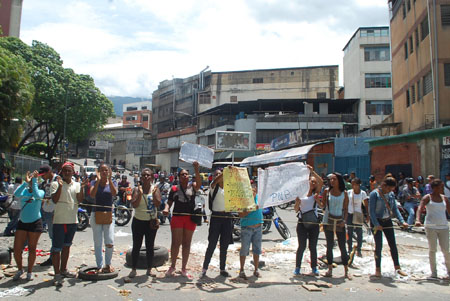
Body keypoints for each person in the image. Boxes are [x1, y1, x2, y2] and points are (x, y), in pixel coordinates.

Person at [51, 162, 86, 286]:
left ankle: (63, 269)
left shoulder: (76, 184)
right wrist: (60, 186)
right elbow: (55, 200)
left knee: (66, 246)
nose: (66, 173)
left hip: (72, 221)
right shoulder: (55, 184)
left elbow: (80, 200)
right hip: (59, 221)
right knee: (56, 249)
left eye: (69, 171)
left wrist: (82, 187)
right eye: (64, 171)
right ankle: (57, 274)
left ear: (73, 172)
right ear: (61, 172)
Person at [163, 162, 201, 280]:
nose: (185, 176)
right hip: (177, 218)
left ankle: (184, 268)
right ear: (178, 177)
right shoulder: (174, 189)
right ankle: (173, 266)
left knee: (187, 243)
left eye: (186, 174)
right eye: (182, 175)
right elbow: (169, 203)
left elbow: (199, 184)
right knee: (175, 243)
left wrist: (196, 168)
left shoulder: (193, 186)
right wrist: (166, 209)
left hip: (190, 218)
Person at [369, 176, 409, 278]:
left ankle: (397, 267)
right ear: (384, 185)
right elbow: (371, 212)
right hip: (376, 222)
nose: (390, 191)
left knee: (393, 245)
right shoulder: (374, 194)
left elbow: (395, 209)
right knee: (379, 246)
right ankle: (378, 269)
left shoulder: (391, 195)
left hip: (387, 221)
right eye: (389, 188)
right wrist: (376, 225)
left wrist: (402, 221)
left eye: (392, 189)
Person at [127, 168, 161, 279]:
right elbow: (134, 205)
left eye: (148, 175)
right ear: (141, 177)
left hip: (151, 222)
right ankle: (133, 269)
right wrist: (141, 195)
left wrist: (155, 194)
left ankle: (149, 269)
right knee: (136, 245)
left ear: (152, 177)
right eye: (144, 175)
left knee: (150, 246)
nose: (146, 177)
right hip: (138, 221)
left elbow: (157, 204)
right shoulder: (137, 189)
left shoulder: (155, 189)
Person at [12, 171, 44, 281]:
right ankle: (20, 269)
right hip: (23, 222)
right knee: (17, 249)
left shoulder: (40, 191)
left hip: (35, 223)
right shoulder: (24, 190)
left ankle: (29, 271)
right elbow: (16, 194)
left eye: (33, 181)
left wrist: (34, 181)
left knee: (32, 248)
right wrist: (26, 183)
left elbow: (36, 195)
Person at [415, 179, 450, 279]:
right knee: (432, 250)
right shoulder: (427, 197)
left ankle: (449, 271)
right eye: (440, 187)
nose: (442, 189)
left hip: (443, 227)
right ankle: (434, 273)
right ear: (434, 188)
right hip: (431, 227)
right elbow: (420, 208)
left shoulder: (444, 199)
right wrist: (417, 220)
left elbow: (449, 211)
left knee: (446, 250)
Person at [201, 169, 233, 278]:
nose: (218, 176)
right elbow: (215, 181)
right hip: (216, 217)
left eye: (220, 174)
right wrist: (226, 171)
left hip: (227, 218)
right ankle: (205, 268)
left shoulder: (229, 188)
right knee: (212, 244)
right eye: (216, 174)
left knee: (224, 245)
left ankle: (222, 269)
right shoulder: (213, 187)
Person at [293, 165, 324, 276]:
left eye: (314, 182)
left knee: (313, 247)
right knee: (301, 246)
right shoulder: (301, 194)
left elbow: (321, 182)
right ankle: (297, 268)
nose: (314, 183)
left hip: (313, 223)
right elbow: (296, 210)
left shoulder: (316, 194)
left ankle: (314, 267)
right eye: (312, 181)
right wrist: (297, 202)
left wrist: (312, 171)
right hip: (302, 223)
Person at [321, 172, 352, 279]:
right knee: (329, 245)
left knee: (342, 246)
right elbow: (323, 206)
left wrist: (345, 221)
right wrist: (317, 200)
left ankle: (346, 270)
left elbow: (346, 209)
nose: (332, 181)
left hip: (340, 220)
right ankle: (329, 269)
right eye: (331, 180)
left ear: (339, 180)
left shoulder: (345, 193)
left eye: (334, 179)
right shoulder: (327, 191)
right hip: (328, 220)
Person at [89, 164, 117, 274]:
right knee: (98, 242)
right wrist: (97, 182)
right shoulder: (93, 182)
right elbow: (92, 195)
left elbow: (114, 193)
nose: (104, 172)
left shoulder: (113, 182)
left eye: (106, 170)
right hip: (96, 214)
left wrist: (109, 181)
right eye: (102, 170)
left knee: (109, 240)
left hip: (109, 214)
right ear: (99, 172)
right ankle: (99, 265)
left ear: (109, 171)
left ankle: (108, 264)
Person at [239, 181, 263, 279]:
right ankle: (241, 270)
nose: (253, 192)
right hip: (247, 228)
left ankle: (256, 269)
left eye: (254, 190)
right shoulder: (243, 201)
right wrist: (251, 209)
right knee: (244, 249)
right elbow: (240, 215)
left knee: (257, 250)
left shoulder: (259, 199)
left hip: (258, 228)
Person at [38, 164, 58, 267]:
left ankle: (53, 258)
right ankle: (53, 256)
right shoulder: (44, 183)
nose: (42, 176)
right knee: (52, 236)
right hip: (46, 210)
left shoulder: (57, 180)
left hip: (55, 212)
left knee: (55, 236)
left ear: (49, 172)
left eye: (43, 174)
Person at [347, 177, 368, 258]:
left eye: (355, 184)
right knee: (349, 232)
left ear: (359, 185)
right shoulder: (349, 192)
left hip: (358, 214)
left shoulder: (363, 193)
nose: (353, 186)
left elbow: (366, 205)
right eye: (352, 184)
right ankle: (349, 248)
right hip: (350, 213)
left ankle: (359, 249)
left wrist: (367, 215)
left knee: (359, 232)